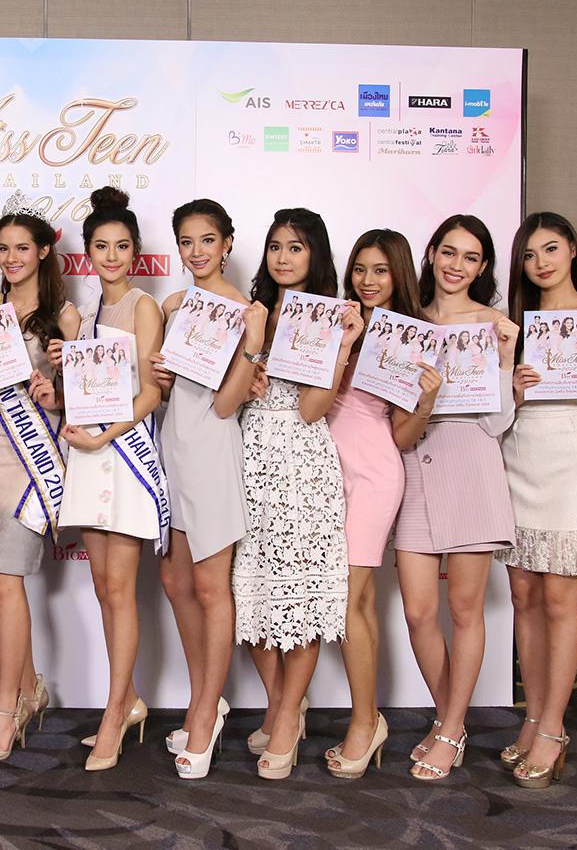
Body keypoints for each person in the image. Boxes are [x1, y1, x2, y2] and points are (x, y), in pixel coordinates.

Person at [499, 212, 577, 789]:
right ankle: (532, 718)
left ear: (572, 249)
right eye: (529, 255)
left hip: (574, 457)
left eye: (550, 249)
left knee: (558, 598)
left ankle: (553, 727)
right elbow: (501, 412)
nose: (541, 263)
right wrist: (513, 391)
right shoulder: (515, 326)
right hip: (520, 454)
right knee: (523, 595)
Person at [393, 214, 519, 781]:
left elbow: (498, 423)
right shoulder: (408, 322)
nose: (456, 265)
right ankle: (453, 720)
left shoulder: (495, 326)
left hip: (472, 461)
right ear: (431, 254)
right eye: (448, 252)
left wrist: (506, 364)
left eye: (470, 257)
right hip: (416, 464)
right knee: (419, 612)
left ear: (483, 266)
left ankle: (448, 729)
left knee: (465, 610)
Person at [0, 197, 78, 764]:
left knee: (6, 582)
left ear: (44, 251)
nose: (10, 258)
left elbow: (87, 398)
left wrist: (58, 389)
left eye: (22, 248)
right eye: (2, 248)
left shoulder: (66, 317)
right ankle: (30, 689)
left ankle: (5, 712)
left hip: (33, 462)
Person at [236, 208, 357, 781]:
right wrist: (250, 367)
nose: (283, 258)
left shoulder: (328, 317)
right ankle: (285, 704)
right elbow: (228, 395)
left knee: (301, 599)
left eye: (296, 247)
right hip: (247, 456)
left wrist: (340, 350)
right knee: (252, 595)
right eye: (276, 246)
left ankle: (285, 719)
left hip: (303, 464)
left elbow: (312, 409)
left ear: (316, 255)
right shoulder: (252, 311)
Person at [150, 199, 267, 780]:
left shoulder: (246, 312)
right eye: (187, 241)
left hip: (214, 453)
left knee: (210, 586)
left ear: (227, 244)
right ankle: (207, 700)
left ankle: (202, 715)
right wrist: (162, 378)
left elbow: (224, 405)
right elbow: (171, 393)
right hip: (172, 448)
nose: (197, 251)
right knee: (175, 582)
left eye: (207, 240)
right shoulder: (174, 306)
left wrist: (253, 344)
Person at [52, 187, 167, 770]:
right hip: (90, 454)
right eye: (101, 246)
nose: (112, 256)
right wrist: (65, 355)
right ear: (88, 253)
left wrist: (104, 437)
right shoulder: (87, 313)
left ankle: (115, 713)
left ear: (136, 253)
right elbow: (83, 388)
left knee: (120, 591)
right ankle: (130, 699)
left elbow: (151, 392)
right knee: (104, 589)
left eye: (122, 246)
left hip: (122, 456)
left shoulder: (145, 307)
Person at [323, 229, 435, 779]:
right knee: (356, 601)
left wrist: (427, 400)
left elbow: (403, 435)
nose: (368, 280)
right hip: (323, 469)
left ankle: (364, 723)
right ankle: (369, 719)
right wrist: (343, 342)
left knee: (350, 599)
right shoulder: (333, 321)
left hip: (373, 473)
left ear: (399, 276)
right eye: (360, 269)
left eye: (381, 270)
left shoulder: (410, 337)